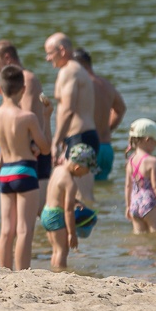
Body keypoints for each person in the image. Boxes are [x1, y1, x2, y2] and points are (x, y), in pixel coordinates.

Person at [0, 65, 51, 271]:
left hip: (5, 172)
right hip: (25, 171)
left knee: (7, 230)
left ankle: (3, 271)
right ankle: (23, 273)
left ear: (0, 90)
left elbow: (1, 142)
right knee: (25, 229)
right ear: (23, 90)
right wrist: (47, 117)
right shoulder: (28, 117)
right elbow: (44, 148)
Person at [0, 40, 52, 213]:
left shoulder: (27, 79)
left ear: (7, 58)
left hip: (34, 152)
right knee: (26, 218)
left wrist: (4, 157)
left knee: (36, 213)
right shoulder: (13, 84)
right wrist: (1, 156)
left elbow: (27, 118)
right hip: (21, 156)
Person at [44, 33, 97, 204]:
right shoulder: (74, 70)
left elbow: (68, 110)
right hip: (78, 137)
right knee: (71, 197)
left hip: (80, 138)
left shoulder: (69, 71)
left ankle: (87, 230)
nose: (47, 58)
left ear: (62, 50)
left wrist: (55, 142)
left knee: (82, 197)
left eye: (50, 53)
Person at [39, 144, 99, 270]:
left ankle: (53, 271)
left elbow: (57, 192)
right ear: (78, 168)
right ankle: (60, 273)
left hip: (46, 212)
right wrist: (72, 233)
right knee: (63, 250)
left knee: (56, 249)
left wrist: (76, 201)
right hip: (56, 215)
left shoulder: (57, 170)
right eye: (86, 171)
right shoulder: (70, 183)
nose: (83, 176)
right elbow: (68, 210)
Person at [73, 48, 125, 182]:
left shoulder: (81, 85)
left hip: (86, 148)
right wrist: (108, 128)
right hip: (106, 149)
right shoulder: (106, 85)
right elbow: (121, 109)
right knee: (101, 190)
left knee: (82, 193)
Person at [124, 118, 156, 235]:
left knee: (141, 241)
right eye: (155, 141)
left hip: (134, 204)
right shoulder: (152, 161)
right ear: (147, 140)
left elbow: (128, 186)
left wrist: (128, 206)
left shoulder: (130, 160)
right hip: (149, 203)